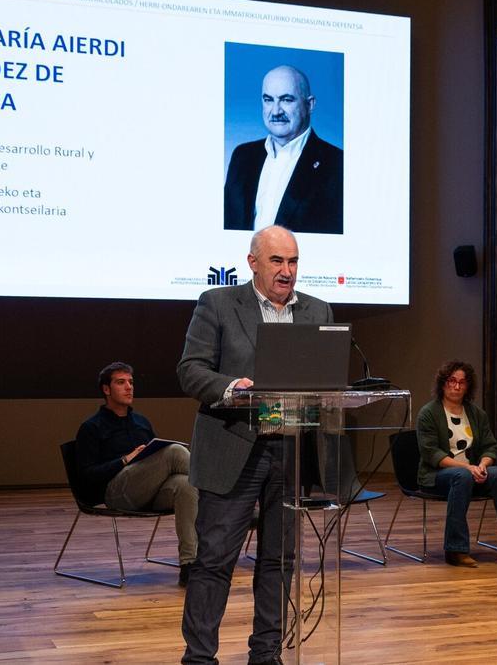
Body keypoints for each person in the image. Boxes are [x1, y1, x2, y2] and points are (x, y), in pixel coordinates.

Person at [178, 225, 334, 665]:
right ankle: (199, 658)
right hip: (235, 447)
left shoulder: (317, 311)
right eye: (277, 261)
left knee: (279, 561)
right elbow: (190, 370)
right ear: (252, 263)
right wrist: (232, 388)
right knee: (213, 560)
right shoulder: (220, 304)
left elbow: (326, 382)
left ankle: (265, 655)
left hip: (291, 452)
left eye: (293, 262)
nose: (287, 272)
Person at [74, 362, 198, 585]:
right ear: (106, 389)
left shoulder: (141, 421)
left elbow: (156, 463)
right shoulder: (92, 427)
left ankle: (189, 566)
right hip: (116, 493)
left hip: (148, 492)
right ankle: (228, 498)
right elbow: (86, 476)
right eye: (121, 382)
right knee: (175, 452)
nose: (129, 387)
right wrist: (124, 460)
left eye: (131, 382)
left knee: (186, 485)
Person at [416, 360, 497, 568]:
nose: (456, 387)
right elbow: (431, 453)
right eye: (451, 381)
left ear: (468, 386)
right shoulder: (428, 413)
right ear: (442, 384)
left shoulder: (476, 413)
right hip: (438, 475)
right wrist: (467, 468)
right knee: (462, 476)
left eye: (462, 383)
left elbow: (490, 446)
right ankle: (456, 550)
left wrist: (483, 465)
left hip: (471, 473)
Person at [224, 65, 343, 235]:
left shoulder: (338, 164)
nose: (276, 110)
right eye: (268, 100)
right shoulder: (242, 156)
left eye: (286, 100)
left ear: (310, 104)